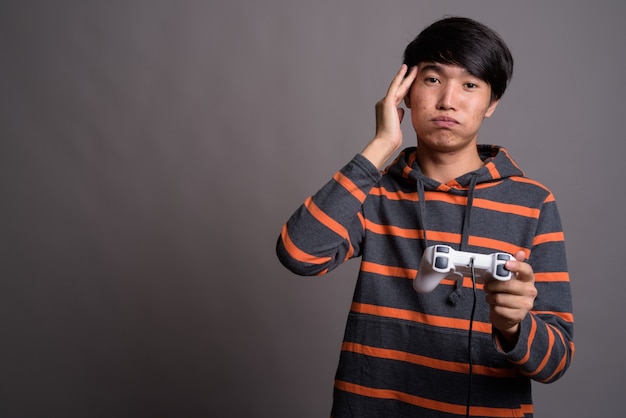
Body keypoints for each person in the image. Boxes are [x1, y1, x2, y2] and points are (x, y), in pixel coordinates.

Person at [276, 16, 574, 417]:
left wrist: (515, 325)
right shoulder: (374, 190)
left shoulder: (533, 202)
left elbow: (556, 363)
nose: (448, 100)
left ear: (492, 103)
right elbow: (299, 253)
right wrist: (380, 146)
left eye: (470, 84)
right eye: (432, 79)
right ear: (405, 92)